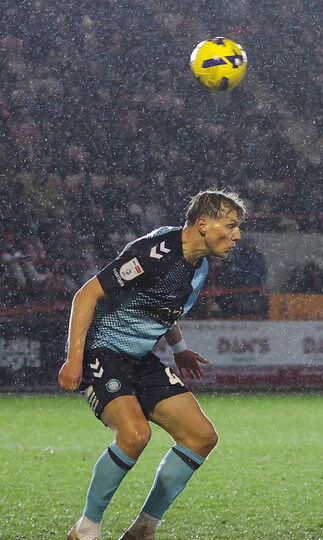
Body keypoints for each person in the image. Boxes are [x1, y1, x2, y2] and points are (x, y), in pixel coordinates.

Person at [58, 190, 247, 540]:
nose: (237, 236)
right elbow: (87, 294)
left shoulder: (199, 265)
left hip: (138, 357)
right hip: (102, 350)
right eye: (231, 226)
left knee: (200, 437)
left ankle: (144, 528)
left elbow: (161, 309)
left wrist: (179, 348)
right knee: (134, 435)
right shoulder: (154, 254)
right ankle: (86, 530)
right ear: (203, 224)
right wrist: (74, 358)